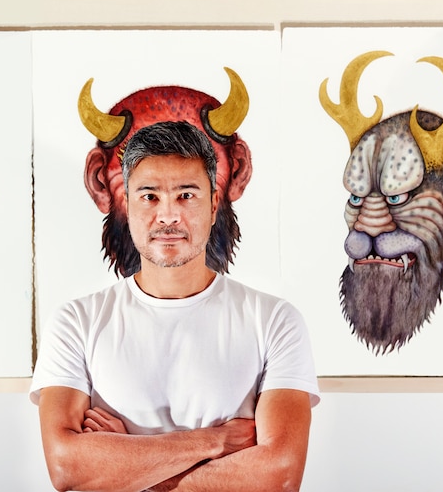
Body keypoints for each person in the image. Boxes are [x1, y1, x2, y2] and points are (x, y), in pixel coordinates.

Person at [30, 121, 320, 492]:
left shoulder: (275, 321)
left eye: (186, 195)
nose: (168, 216)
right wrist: (214, 442)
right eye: (149, 196)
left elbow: (279, 474)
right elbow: (66, 467)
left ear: (214, 205)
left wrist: (128, 462)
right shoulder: (75, 322)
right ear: (128, 207)